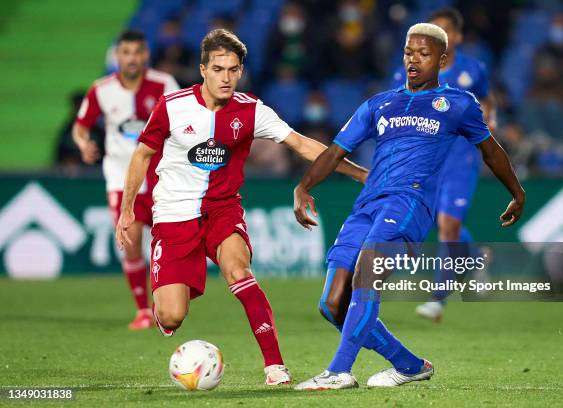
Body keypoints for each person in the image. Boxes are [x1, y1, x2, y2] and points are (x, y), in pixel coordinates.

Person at [114, 29, 367, 386]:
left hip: (222, 210)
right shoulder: (172, 106)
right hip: (173, 215)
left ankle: (275, 366)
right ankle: (164, 306)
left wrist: (359, 174)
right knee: (171, 317)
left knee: (238, 270)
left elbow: (301, 144)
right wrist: (127, 210)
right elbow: (142, 155)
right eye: (218, 69)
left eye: (233, 69)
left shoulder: (251, 111)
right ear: (203, 69)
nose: (226, 77)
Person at [293, 23, 525, 389]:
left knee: (367, 275)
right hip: (367, 204)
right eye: (408, 52)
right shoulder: (379, 103)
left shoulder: (457, 104)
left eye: (424, 53)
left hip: (409, 204)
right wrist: (304, 185)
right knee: (332, 303)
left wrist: (517, 191)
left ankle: (338, 371)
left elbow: (491, 151)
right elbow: (336, 151)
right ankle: (409, 364)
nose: (414, 59)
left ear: (442, 59)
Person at [390, 8, 497, 321]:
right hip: (424, 160)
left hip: (461, 156)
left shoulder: (473, 69)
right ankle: (475, 260)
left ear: (458, 37)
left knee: (448, 225)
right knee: (441, 223)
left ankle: (438, 299)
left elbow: (487, 99)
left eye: (445, 31)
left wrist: (488, 119)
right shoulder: (408, 72)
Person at [73, 29, 179, 330]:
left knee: (167, 244)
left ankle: (165, 306)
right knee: (130, 243)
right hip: (120, 178)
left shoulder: (164, 84)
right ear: (117, 56)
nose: (131, 58)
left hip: (161, 176)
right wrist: (83, 144)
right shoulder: (101, 89)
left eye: (137, 52)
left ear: (145, 55)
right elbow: (81, 127)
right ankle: (143, 310)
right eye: (126, 52)